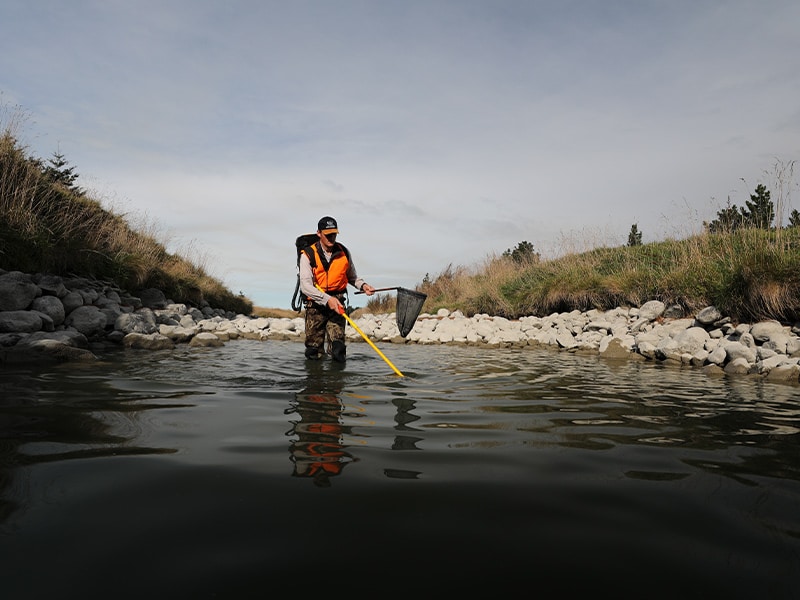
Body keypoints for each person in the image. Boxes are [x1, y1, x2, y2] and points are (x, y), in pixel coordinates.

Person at [298, 216, 375, 362]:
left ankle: (336, 383)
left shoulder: (344, 252)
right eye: (327, 235)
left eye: (334, 234)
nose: (331, 238)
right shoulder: (307, 255)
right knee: (313, 352)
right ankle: (315, 383)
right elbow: (306, 286)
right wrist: (327, 300)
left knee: (338, 350)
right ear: (319, 233)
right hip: (315, 306)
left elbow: (352, 277)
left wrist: (363, 286)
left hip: (338, 305)